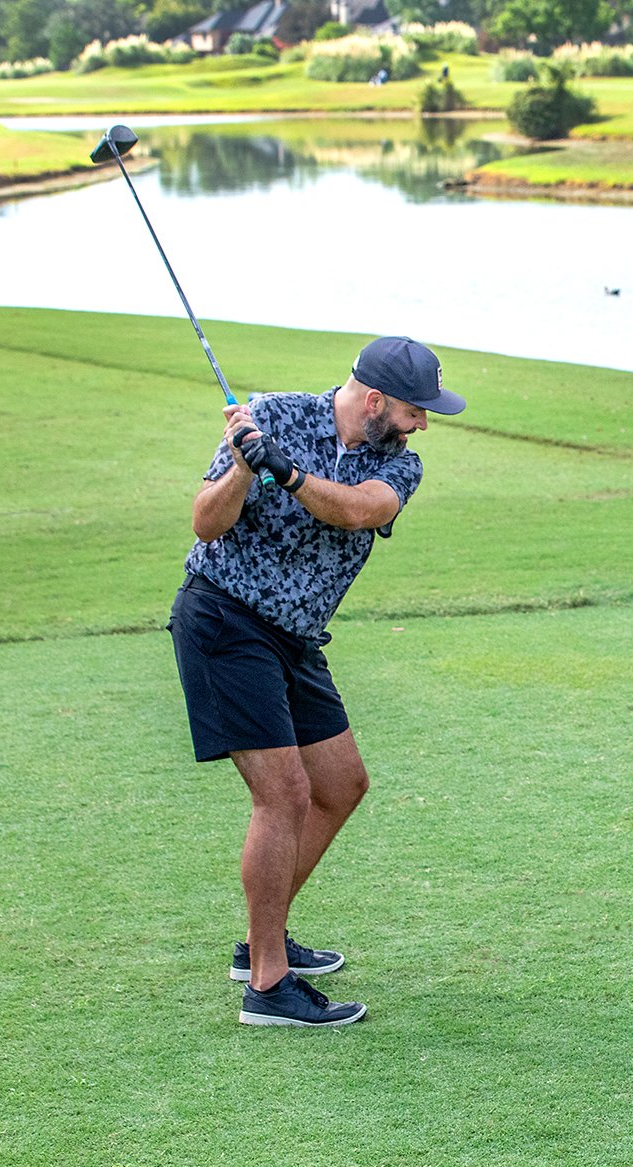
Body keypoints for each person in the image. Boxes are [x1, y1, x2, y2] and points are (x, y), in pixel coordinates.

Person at [169, 336, 466, 1027]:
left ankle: (261, 941)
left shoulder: (398, 463)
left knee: (340, 785)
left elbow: (360, 510)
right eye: (416, 410)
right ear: (375, 401)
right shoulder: (274, 416)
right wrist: (246, 467)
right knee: (285, 795)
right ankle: (268, 987)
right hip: (225, 618)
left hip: (295, 637)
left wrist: (288, 473)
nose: (423, 424)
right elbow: (206, 524)